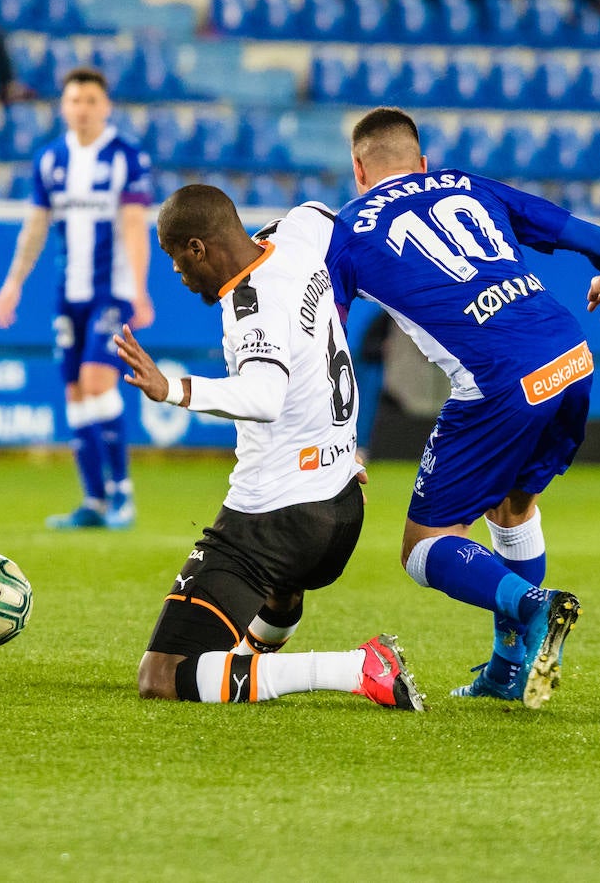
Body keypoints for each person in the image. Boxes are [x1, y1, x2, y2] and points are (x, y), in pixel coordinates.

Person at [325, 106, 600, 708]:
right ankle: (509, 669)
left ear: (359, 170)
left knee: (422, 547)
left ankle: (535, 606)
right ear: (423, 163)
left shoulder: (349, 228)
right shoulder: (467, 184)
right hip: (569, 354)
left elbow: (328, 347)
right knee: (514, 506)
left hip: (498, 379)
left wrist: (341, 441)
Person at [111, 184, 423, 710]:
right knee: (275, 592)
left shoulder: (248, 304)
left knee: (162, 676)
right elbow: (335, 216)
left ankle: (357, 668)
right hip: (341, 507)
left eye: (174, 258)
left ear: (197, 249)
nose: (176, 274)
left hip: (277, 521)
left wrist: (173, 389)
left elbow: (263, 395)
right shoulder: (297, 233)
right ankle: (252, 660)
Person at [0, 67, 153, 530]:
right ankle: (94, 501)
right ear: (63, 107)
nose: (82, 109)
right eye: (74, 101)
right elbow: (36, 226)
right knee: (76, 391)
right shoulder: (49, 159)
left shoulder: (124, 157)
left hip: (113, 290)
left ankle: (123, 494)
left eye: (90, 101)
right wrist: (13, 282)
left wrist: (139, 289)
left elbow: (134, 225)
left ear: (106, 107)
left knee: (98, 380)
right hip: (69, 293)